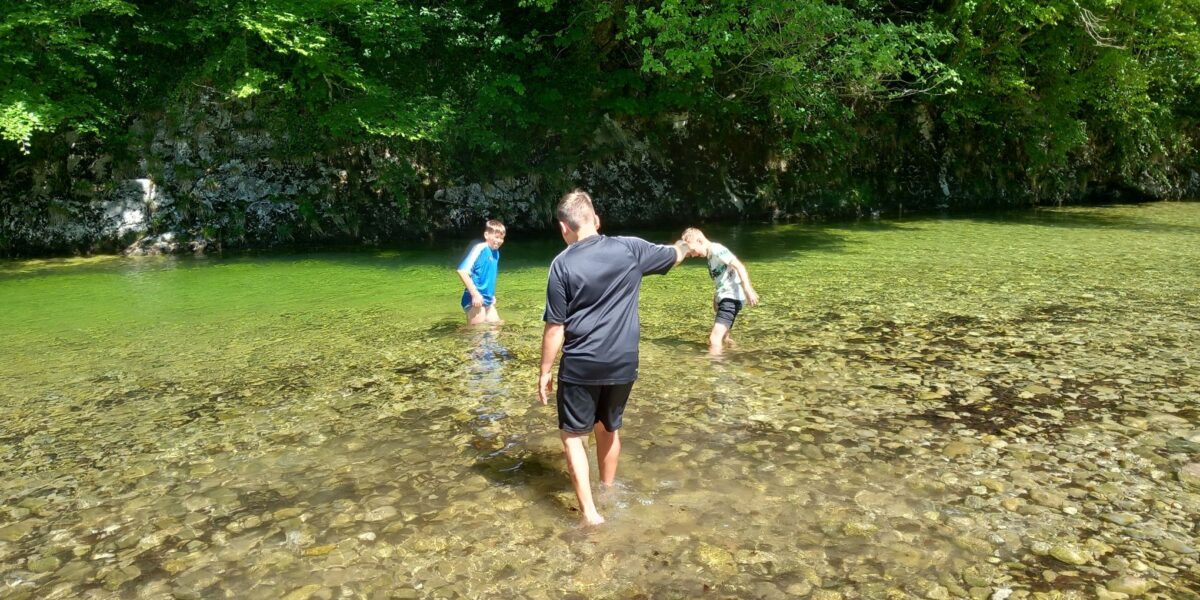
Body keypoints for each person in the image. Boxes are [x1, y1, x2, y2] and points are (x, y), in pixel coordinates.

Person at [538, 189, 689, 526]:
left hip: (582, 363)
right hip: (624, 362)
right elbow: (675, 255)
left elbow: (555, 327)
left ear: (564, 228)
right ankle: (607, 490)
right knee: (608, 426)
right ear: (596, 219)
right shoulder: (630, 249)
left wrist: (545, 371)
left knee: (573, 436)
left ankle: (591, 515)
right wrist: (686, 242)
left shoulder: (562, 264)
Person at [681, 228, 760, 354]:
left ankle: (716, 365)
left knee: (714, 339)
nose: (693, 255)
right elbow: (722, 279)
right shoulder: (710, 256)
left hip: (731, 298)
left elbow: (739, 266)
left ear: (699, 241)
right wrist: (716, 297)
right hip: (727, 297)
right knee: (724, 338)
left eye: (693, 250)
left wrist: (748, 289)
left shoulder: (716, 249)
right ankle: (737, 357)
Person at [455, 219, 506, 324]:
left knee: (497, 325)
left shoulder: (496, 253)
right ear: (486, 235)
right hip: (474, 299)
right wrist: (475, 294)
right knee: (476, 331)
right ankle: (457, 332)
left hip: (487, 299)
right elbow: (462, 271)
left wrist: (492, 295)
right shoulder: (480, 248)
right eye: (496, 237)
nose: (499, 241)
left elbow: (489, 276)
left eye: (502, 238)